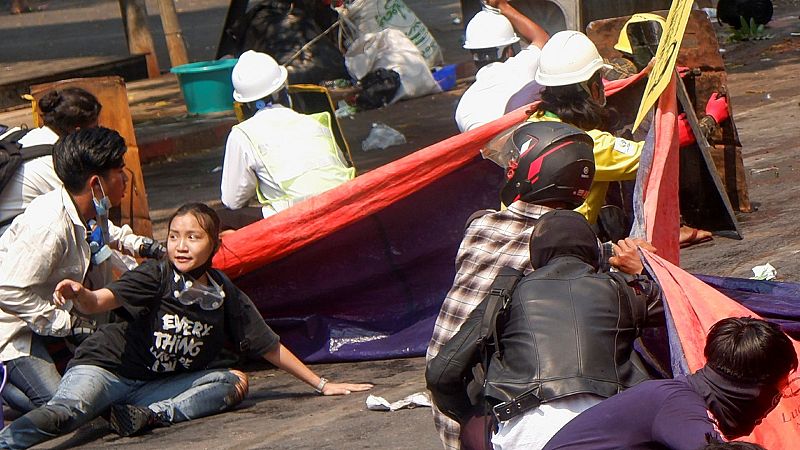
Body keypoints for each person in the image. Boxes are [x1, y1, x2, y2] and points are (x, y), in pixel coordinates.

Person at [0, 202, 373, 449]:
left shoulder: (224, 293)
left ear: (214, 245)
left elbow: (267, 345)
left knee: (233, 381)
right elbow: (101, 300)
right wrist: (80, 293)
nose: (181, 246)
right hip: (107, 371)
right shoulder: (154, 275)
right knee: (63, 415)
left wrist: (322, 385)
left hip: (151, 390)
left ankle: (146, 417)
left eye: (193, 237)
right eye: (174, 237)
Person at [426, 120, 652, 450]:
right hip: (477, 394)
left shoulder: (481, 225)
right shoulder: (560, 250)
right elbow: (598, 258)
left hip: (451, 391)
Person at [428, 210, 664, 450]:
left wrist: (470, 415)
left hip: (526, 433)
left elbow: (441, 373)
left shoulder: (505, 294)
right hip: (614, 423)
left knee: (474, 430)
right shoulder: (624, 290)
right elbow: (684, 308)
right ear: (594, 252)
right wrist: (642, 270)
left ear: (536, 255)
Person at [527, 29, 730, 247]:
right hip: (561, 246)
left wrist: (645, 76)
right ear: (593, 89)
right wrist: (711, 118)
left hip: (527, 233)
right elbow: (655, 153)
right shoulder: (585, 146)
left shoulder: (532, 124)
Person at [0, 127, 134, 414]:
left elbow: (115, 244)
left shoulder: (93, 210)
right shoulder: (51, 225)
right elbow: (6, 289)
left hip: (50, 315)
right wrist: (67, 325)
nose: (125, 179)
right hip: (11, 323)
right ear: (96, 184)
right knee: (63, 406)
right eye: (120, 171)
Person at [543, 317, 798, 450]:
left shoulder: (678, 398)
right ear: (752, 389)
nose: (771, 409)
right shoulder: (680, 405)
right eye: (777, 392)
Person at [220, 50, 355, 224]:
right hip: (345, 203)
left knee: (223, 218)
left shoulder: (242, 134)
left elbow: (232, 200)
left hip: (296, 218)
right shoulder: (315, 122)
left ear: (244, 103)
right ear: (284, 89)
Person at [0, 88, 100, 235]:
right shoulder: (55, 164)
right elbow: (80, 213)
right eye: (95, 129)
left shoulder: (17, 135)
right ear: (78, 132)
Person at [454, 0, 549, 133]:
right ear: (509, 50)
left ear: (473, 53)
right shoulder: (519, 68)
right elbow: (542, 38)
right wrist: (502, 6)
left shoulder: (465, 105)